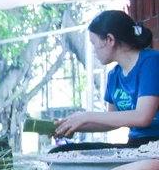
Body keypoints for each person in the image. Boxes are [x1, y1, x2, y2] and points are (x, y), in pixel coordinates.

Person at [53, 10, 159, 150]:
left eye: (94, 42)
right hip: (137, 145)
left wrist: (87, 116)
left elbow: (143, 117)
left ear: (110, 39)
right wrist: (68, 125)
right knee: (60, 151)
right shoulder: (114, 75)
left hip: (155, 143)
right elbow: (111, 120)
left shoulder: (150, 62)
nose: (94, 49)